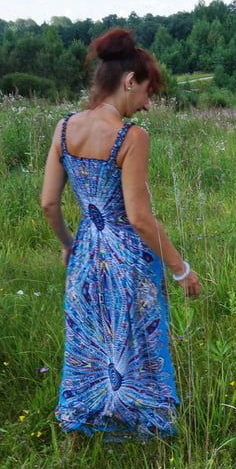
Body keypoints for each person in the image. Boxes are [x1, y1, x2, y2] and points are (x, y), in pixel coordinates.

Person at [40, 28, 201, 443]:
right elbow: (140, 218)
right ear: (129, 81)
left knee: (90, 342)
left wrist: (68, 246)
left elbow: (49, 204)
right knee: (136, 343)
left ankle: (86, 424)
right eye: (147, 92)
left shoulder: (62, 130)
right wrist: (182, 270)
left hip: (85, 257)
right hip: (128, 260)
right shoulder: (132, 138)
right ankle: (143, 426)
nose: (147, 105)